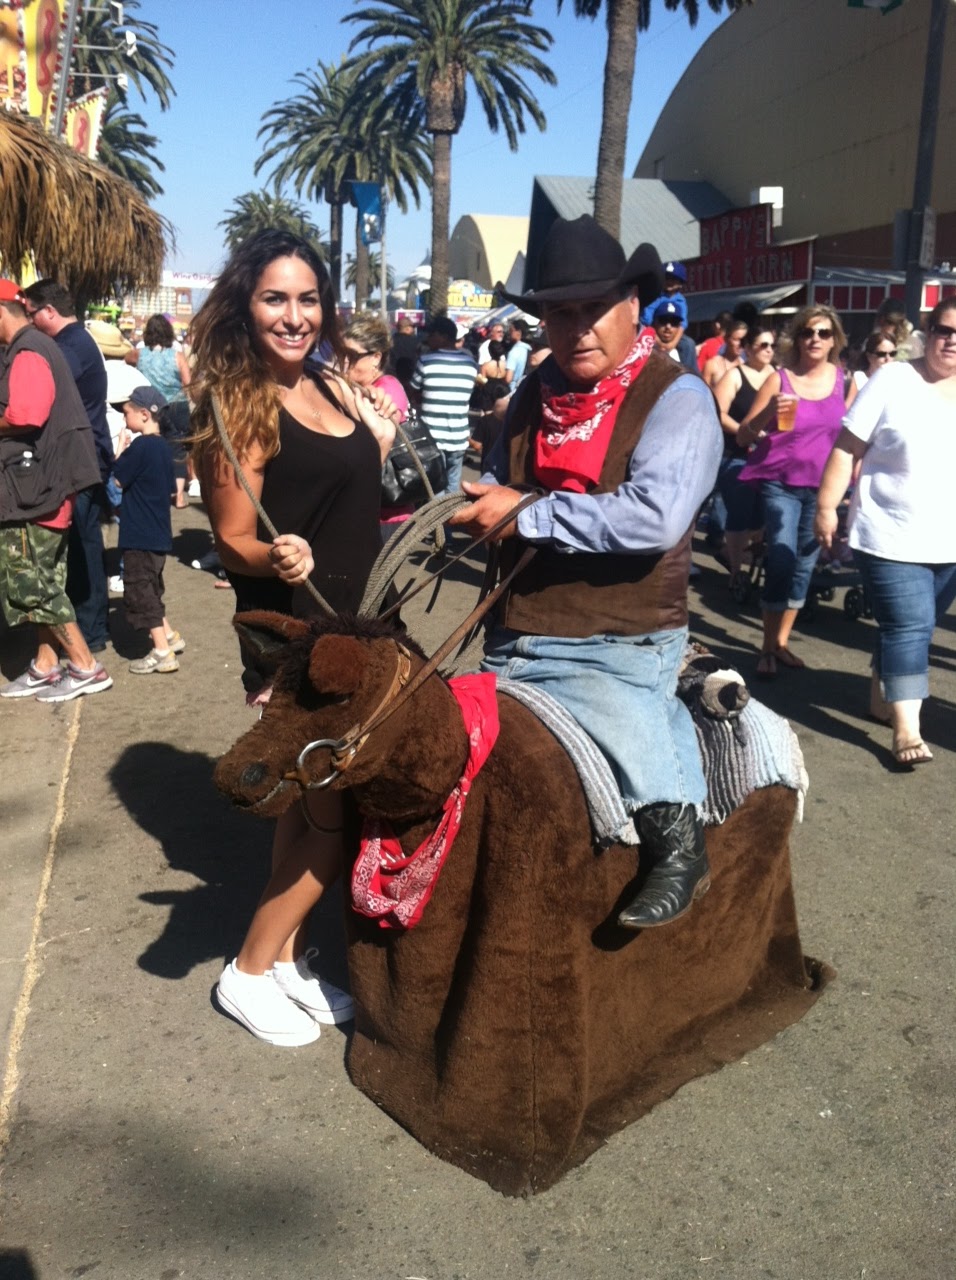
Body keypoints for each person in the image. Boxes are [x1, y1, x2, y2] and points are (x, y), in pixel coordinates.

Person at [457, 214, 723, 930]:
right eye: (558, 311)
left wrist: (525, 515)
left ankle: (677, 841)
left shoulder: (679, 401)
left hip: (621, 636)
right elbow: (496, 482)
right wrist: (473, 506)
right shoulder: (526, 402)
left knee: (612, 702)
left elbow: (654, 518)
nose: (574, 328)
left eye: (592, 309)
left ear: (635, 304)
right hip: (513, 629)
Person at [189, 229, 398, 1047]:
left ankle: (287, 959)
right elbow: (232, 535)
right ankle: (246, 970)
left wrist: (375, 439)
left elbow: (352, 496)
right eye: (275, 297)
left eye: (308, 298)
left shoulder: (333, 386)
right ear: (246, 303)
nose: (294, 315)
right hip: (297, 631)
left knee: (311, 809)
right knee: (333, 814)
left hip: (363, 622)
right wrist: (276, 555)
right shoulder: (238, 401)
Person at [815, 299, 956, 768]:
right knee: (911, 625)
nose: (951, 340)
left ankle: (882, 695)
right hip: (889, 533)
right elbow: (846, 447)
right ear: (928, 332)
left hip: (949, 542)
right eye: (944, 330)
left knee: (909, 627)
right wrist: (827, 507)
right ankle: (906, 729)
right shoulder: (894, 379)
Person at [0, 280, 113, 702]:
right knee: (45, 579)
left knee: (31, 583)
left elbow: (26, 413)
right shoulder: (33, 347)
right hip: (45, 484)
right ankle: (46, 664)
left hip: (36, 488)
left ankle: (85, 666)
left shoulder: (29, 351)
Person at [736, 305, 850, 678]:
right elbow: (743, 435)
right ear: (797, 338)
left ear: (834, 340)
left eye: (823, 333)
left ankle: (781, 643)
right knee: (783, 558)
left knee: (803, 565)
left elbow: (852, 442)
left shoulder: (845, 382)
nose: (815, 339)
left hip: (821, 489)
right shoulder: (779, 379)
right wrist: (769, 410)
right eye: (808, 332)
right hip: (780, 482)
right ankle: (766, 648)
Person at [111, 386, 186, 674]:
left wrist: (120, 449)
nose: (123, 417)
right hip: (158, 532)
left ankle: (162, 652)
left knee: (140, 590)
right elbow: (168, 488)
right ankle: (168, 635)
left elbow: (118, 480)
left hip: (138, 533)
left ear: (144, 414)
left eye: (127, 412)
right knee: (152, 586)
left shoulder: (140, 447)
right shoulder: (164, 447)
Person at [713, 326, 777, 584]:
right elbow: (718, 413)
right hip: (736, 453)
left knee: (763, 513)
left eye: (771, 345)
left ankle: (743, 555)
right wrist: (746, 430)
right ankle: (736, 570)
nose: (769, 350)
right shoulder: (735, 376)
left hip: (768, 455)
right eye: (763, 345)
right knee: (740, 508)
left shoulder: (778, 376)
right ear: (748, 348)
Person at [126, 313, 193, 508]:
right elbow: (187, 382)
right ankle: (179, 496)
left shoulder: (139, 355)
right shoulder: (177, 356)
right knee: (178, 449)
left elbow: (126, 359)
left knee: (154, 449)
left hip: (152, 407)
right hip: (177, 405)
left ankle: (158, 492)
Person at [409, 315, 478, 496]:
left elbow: (414, 390)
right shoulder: (470, 363)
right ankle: (449, 522)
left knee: (435, 489)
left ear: (444, 336)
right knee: (452, 487)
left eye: (432, 334)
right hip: (459, 436)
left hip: (432, 437)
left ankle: (436, 524)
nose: (428, 338)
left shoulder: (426, 360)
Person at [846, 329, 899, 408]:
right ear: (869, 356)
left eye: (892, 354)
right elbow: (847, 407)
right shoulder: (860, 378)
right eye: (881, 354)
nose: (887, 358)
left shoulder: (899, 380)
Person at [649, 299, 698, 371]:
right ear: (654, 323)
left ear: (679, 326)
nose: (668, 327)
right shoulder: (645, 348)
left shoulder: (686, 348)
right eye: (663, 320)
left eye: (674, 322)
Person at [640, 259, 689, 329]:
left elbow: (683, 324)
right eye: (666, 278)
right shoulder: (654, 296)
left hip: (673, 332)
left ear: (681, 283)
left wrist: (674, 340)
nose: (669, 281)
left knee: (688, 340)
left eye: (674, 279)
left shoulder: (681, 300)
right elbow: (647, 319)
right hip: (652, 330)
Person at [702, 318, 748, 390]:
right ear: (726, 339)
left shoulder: (746, 365)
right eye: (736, 340)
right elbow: (703, 395)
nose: (741, 344)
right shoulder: (712, 365)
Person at [389, 314, 420, 394]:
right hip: (412, 379)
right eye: (412, 328)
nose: (413, 330)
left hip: (394, 378)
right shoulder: (415, 342)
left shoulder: (390, 341)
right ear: (407, 328)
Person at [504, 317, 531, 387]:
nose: (509, 333)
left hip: (513, 389)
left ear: (519, 332)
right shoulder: (530, 349)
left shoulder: (514, 352)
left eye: (511, 330)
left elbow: (508, 379)